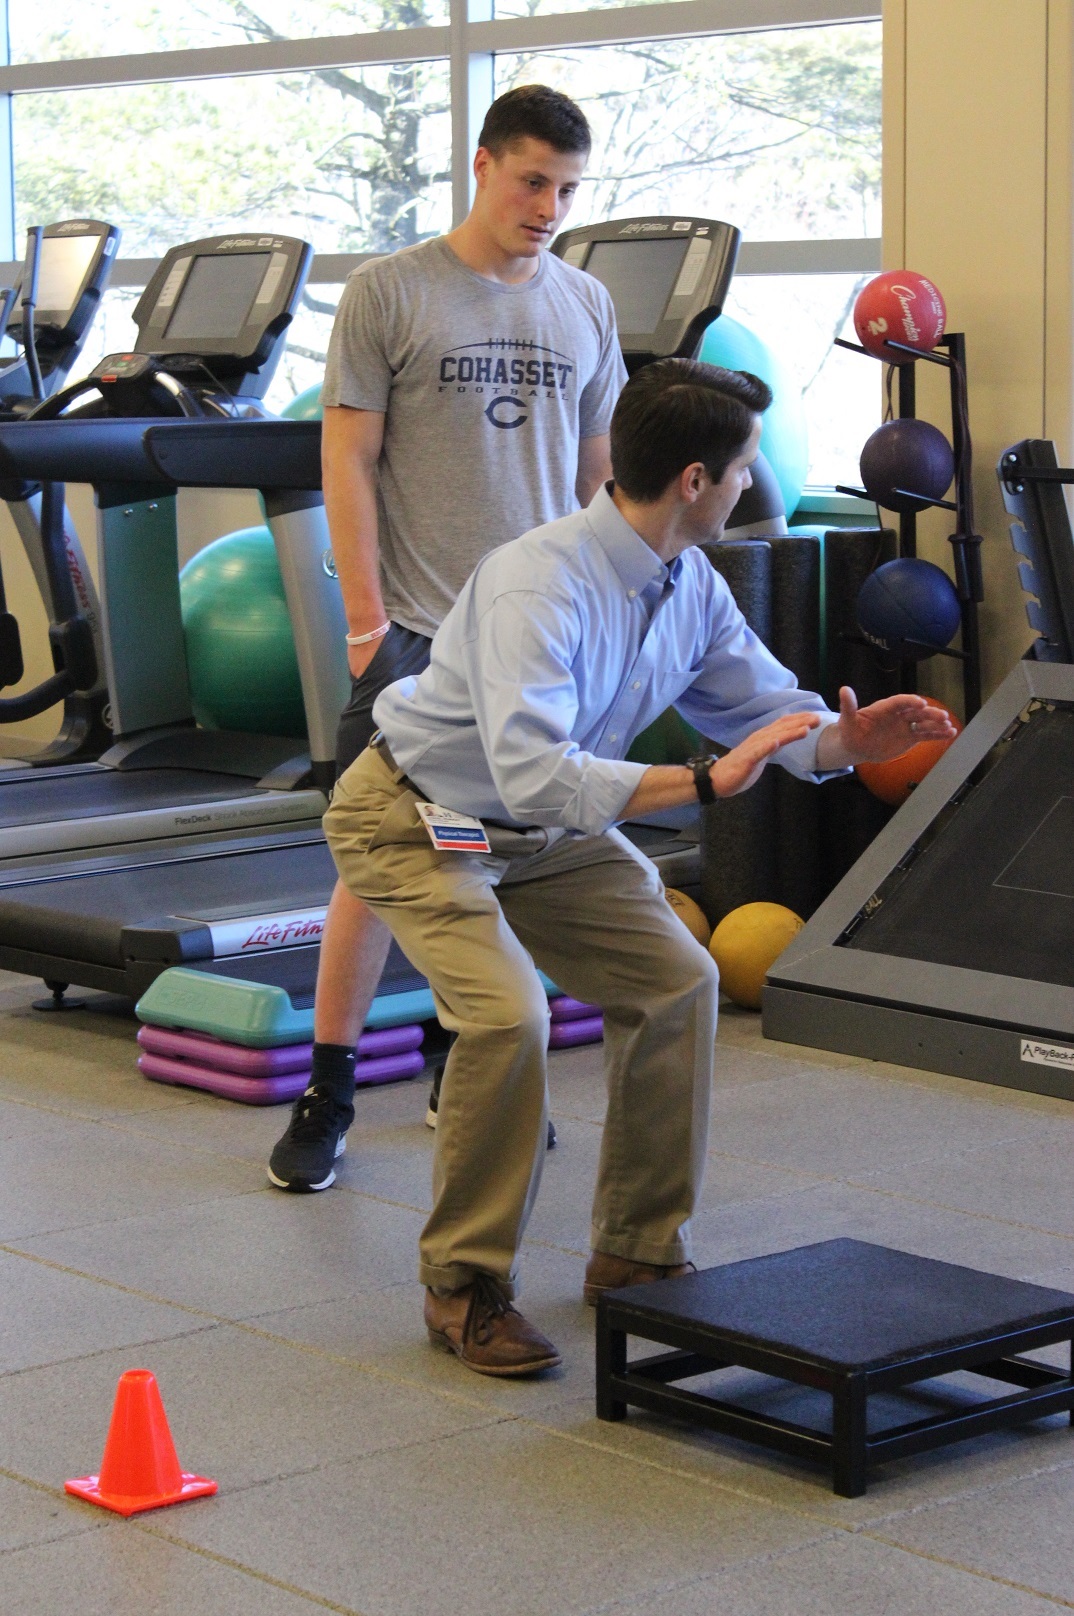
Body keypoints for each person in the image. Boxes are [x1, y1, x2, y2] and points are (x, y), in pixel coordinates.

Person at [321, 358, 957, 1377]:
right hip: (418, 816)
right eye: (744, 466)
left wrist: (844, 742)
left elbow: (764, 710)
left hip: (545, 832)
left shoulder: (688, 581)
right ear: (696, 480)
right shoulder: (542, 583)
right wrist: (704, 785)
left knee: (680, 979)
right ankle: (464, 1282)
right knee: (504, 1013)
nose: (753, 484)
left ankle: (638, 1251)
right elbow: (534, 773)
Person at [268, 84, 626, 1192]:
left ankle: (462, 1060)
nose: (549, 207)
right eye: (532, 182)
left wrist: (605, 611)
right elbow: (349, 460)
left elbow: (595, 473)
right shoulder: (391, 291)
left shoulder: (585, 304)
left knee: (497, 856)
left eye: (567, 189)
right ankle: (328, 1091)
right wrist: (366, 622)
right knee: (374, 864)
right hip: (421, 630)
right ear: (482, 165)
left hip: (536, 639)